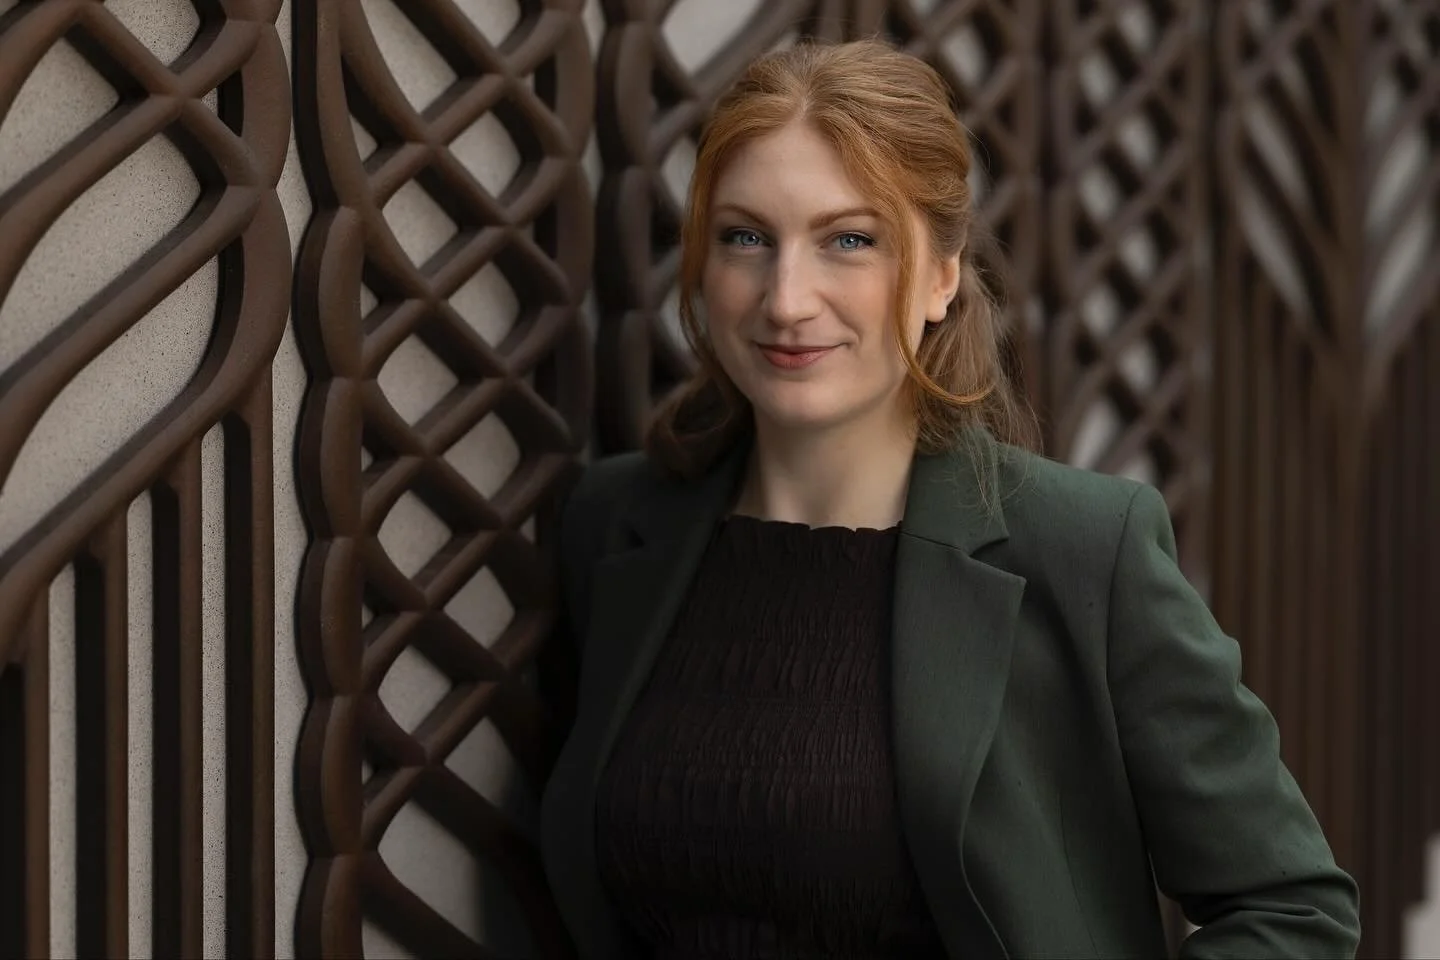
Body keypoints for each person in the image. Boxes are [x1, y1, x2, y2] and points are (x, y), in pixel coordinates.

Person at [539, 38, 1360, 959]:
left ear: (940, 274)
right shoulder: (614, 527)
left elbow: (1294, 912)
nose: (787, 298)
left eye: (850, 240)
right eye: (746, 238)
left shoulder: (1084, 548)